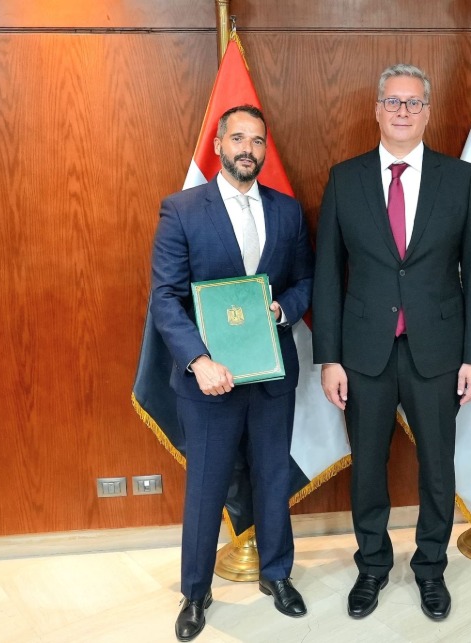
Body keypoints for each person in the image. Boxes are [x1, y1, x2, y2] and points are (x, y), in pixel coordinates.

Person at [312, 63, 471, 621]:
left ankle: (431, 568)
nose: (403, 111)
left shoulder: (459, 178)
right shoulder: (345, 178)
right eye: (393, 101)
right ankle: (371, 565)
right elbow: (327, 274)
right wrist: (328, 358)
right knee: (367, 465)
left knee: (438, 467)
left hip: (437, 351)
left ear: (428, 112)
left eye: (414, 103)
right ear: (376, 109)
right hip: (363, 352)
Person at [150, 104, 314, 640]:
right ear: (218, 145)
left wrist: (281, 310)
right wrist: (199, 362)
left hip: (271, 375)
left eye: (258, 141)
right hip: (208, 382)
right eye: (238, 138)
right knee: (206, 487)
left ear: (266, 150)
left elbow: (305, 282)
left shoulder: (288, 212)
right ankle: (195, 593)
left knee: (272, 477)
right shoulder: (181, 210)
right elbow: (166, 299)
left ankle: (277, 576)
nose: (249, 148)